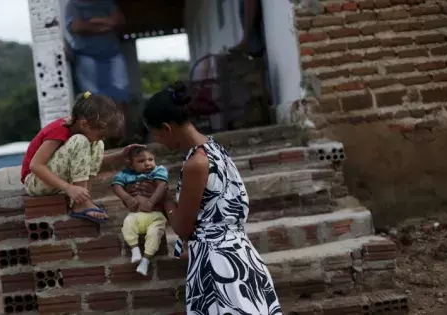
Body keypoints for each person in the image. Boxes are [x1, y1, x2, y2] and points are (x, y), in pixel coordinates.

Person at [143, 82, 282, 314]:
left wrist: (165, 201)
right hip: (241, 255)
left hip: (219, 267)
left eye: (156, 134)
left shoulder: (196, 163)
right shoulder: (214, 148)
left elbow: (183, 227)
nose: (157, 141)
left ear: (167, 128)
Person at [21, 91, 141, 224]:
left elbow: (83, 162)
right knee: (81, 140)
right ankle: (81, 204)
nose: (103, 138)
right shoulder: (60, 130)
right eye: (101, 134)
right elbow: (36, 165)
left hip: (53, 180)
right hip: (35, 182)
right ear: (84, 124)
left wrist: (119, 156)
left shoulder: (84, 134)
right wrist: (68, 187)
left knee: (97, 144)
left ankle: (84, 197)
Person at [64, 0, 136, 142]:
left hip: (113, 54)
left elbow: (118, 22)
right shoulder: (73, 5)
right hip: (86, 56)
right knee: (92, 100)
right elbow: (77, 27)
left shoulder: (107, 3)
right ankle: (99, 141)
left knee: (121, 96)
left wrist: (92, 24)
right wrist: (105, 24)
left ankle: (121, 138)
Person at [111, 146, 169, 275]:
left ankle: (145, 261)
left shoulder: (158, 171)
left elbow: (162, 186)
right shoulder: (125, 174)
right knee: (128, 224)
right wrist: (127, 198)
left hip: (155, 215)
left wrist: (151, 202)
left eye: (150, 159)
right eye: (141, 161)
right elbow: (116, 186)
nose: (148, 163)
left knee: (155, 233)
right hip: (136, 215)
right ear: (131, 165)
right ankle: (135, 250)